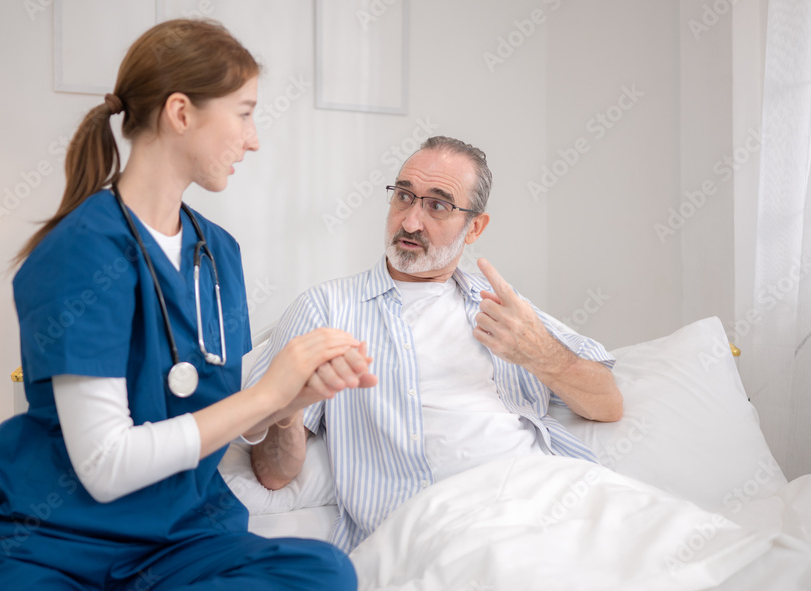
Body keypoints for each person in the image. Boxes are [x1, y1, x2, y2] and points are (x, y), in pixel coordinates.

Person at [0, 19, 373, 591]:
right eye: (243, 114)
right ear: (181, 113)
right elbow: (104, 465)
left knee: (325, 577)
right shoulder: (81, 251)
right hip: (56, 537)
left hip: (180, 539)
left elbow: (198, 408)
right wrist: (263, 391)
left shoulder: (219, 255)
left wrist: (288, 400)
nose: (253, 138)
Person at [248, 136, 624, 553]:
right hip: (437, 535)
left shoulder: (504, 307)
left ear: (475, 227)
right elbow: (273, 474)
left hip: (553, 503)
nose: (410, 222)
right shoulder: (328, 309)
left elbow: (607, 404)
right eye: (404, 196)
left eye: (437, 205)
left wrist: (538, 353)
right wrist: (288, 408)